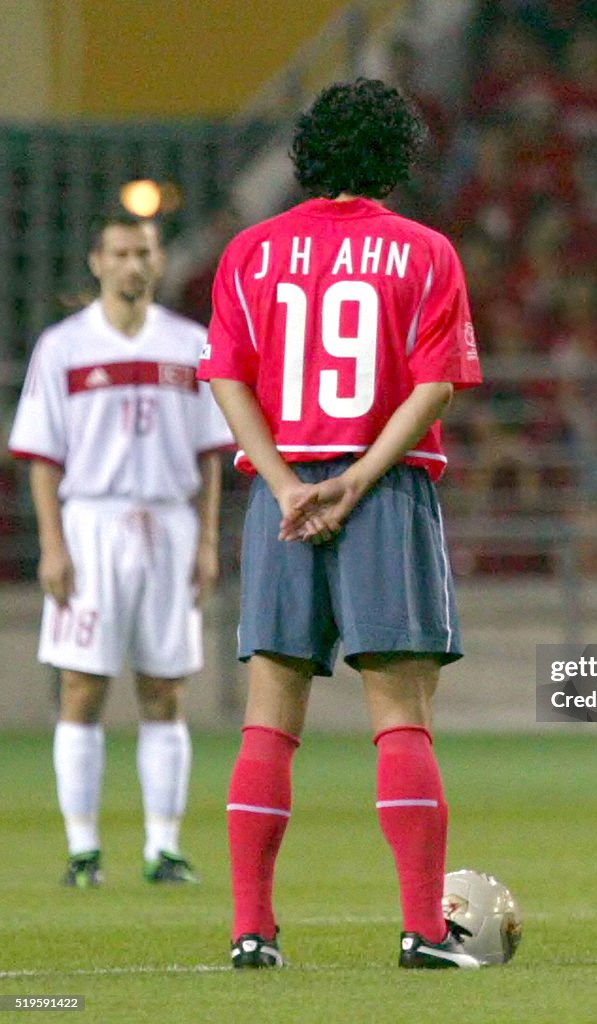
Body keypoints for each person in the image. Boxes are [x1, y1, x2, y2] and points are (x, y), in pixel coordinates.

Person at [198, 79, 482, 970]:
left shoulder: (251, 251)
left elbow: (226, 378)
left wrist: (285, 483)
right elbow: (434, 384)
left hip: (283, 501)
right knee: (399, 714)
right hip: (382, 492)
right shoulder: (427, 252)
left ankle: (251, 930)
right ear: (397, 157)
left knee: (268, 718)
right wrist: (359, 477)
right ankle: (423, 930)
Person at [8, 212, 232, 888]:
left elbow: (209, 453)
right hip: (92, 524)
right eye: (121, 253)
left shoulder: (191, 344)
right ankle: (83, 851)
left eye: (144, 253)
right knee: (83, 686)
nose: (133, 264)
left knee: (165, 688)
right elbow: (43, 456)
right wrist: (52, 543)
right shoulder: (64, 347)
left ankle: (163, 848)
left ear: (159, 263)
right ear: (96, 261)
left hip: (170, 525)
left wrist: (209, 540)